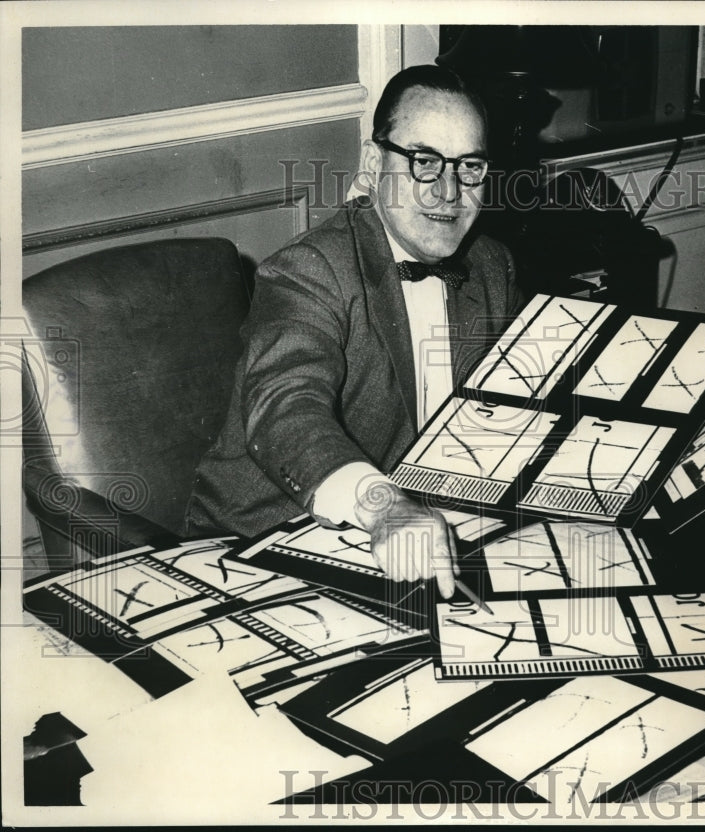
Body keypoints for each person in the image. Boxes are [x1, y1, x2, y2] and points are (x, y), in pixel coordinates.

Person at [185, 65, 523, 599]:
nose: (449, 192)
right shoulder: (311, 269)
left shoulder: (490, 265)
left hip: (413, 550)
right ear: (373, 162)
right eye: (424, 162)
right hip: (260, 553)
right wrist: (383, 505)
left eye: (470, 167)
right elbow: (285, 408)